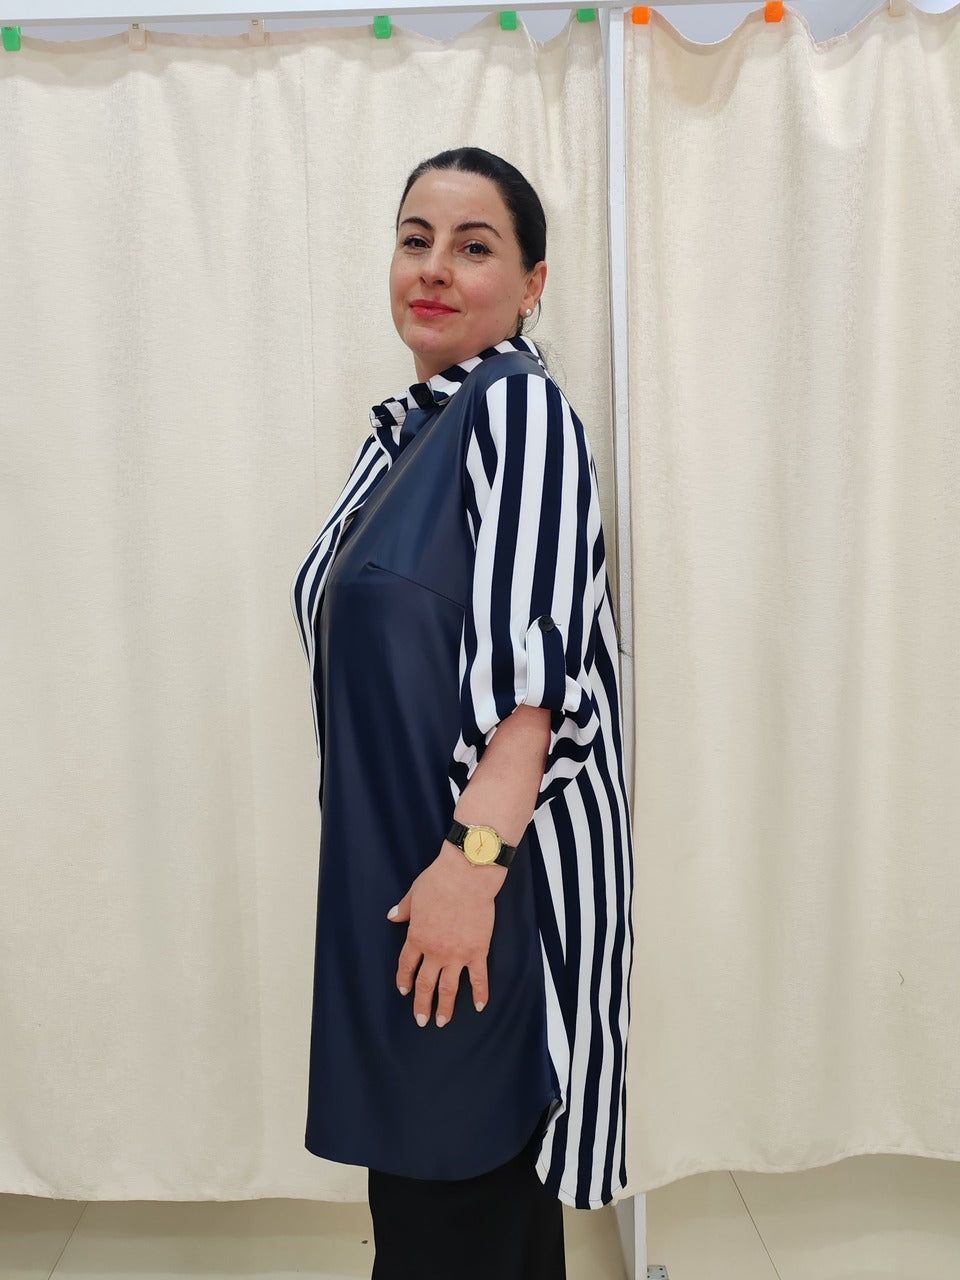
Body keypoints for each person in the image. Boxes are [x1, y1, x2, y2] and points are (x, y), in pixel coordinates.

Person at [290, 147, 634, 1280]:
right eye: (415, 239)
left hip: (474, 894)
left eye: (473, 246)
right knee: (468, 1228)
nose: (433, 267)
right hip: (410, 891)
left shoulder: (517, 407)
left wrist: (470, 870)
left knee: (453, 1221)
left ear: (533, 284)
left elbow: (537, 683)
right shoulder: (408, 436)